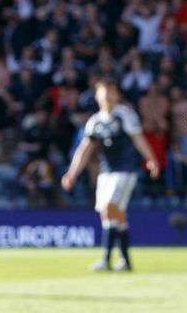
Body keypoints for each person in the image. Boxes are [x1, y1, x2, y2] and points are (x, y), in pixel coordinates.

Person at [61, 79, 160, 271]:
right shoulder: (95, 121)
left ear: (117, 94)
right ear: (97, 96)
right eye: (102, 91)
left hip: (125, 171)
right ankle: (125, 260)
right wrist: (71, 173)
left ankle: (105, 259)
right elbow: (84, 149)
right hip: (105, 173)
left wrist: (151, 159)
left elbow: (138, 139)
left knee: (109, 208)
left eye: (110, 91)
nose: (106, 95)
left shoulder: (124, 115)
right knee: (116, 215)